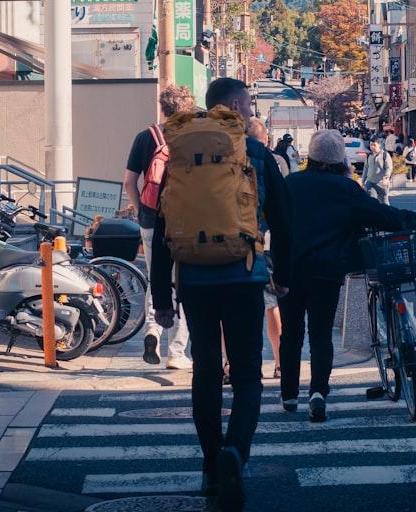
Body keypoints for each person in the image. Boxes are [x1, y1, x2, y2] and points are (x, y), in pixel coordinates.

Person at [151, 78, 293, 509]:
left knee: (207, 372)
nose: (251, 110)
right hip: (244, 276)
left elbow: (163, 227)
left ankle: (212, 467)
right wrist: (281, 274)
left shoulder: (181, 152)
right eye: (249, 103)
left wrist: (162, 297)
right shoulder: (255, 153)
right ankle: (236, 451)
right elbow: (284, 219)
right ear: (233, 104)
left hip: (194, 278)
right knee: (248, 374)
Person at [281, 130, 416, 422]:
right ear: (340, 159)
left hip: (291, 268)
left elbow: (270, 217)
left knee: (292, 332)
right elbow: (383, 216)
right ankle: (318, 394)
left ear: (310, 156)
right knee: (320, 334)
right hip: (327, 270)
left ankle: (288, 395)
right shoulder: (346, 188)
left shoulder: (291, 184)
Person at [123, 84, 196, 370]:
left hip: (152, 219)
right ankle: (176, 352)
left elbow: (129, 182)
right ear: (187, 109)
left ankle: (152, 329)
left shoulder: (146, 137)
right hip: (186, 220)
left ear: (162, 108)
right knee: (186, 282)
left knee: (157, 276)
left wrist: (143, 211)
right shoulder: (193, 138)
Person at [247, 117, 286, 378]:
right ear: (267, 139)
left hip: (236, 243)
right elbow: (282, 206)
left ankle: (231, 363)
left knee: (237, 310)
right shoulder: (276, 162)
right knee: (272, 306)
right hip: (268, 243)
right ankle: (279, 362)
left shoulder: (230, 154)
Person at [362, 137, 393, 204]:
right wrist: (363, 180)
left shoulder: (385, 155)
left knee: (384, 202)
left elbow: (389, 167)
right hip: (370, 182)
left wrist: (386, 177)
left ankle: (387, 214)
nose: (372, 147)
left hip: (382, 183)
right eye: (371, 145)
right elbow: (366, 168)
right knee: (372, 201)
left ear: (379, 144)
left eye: (374, 145)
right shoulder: (368, 156)